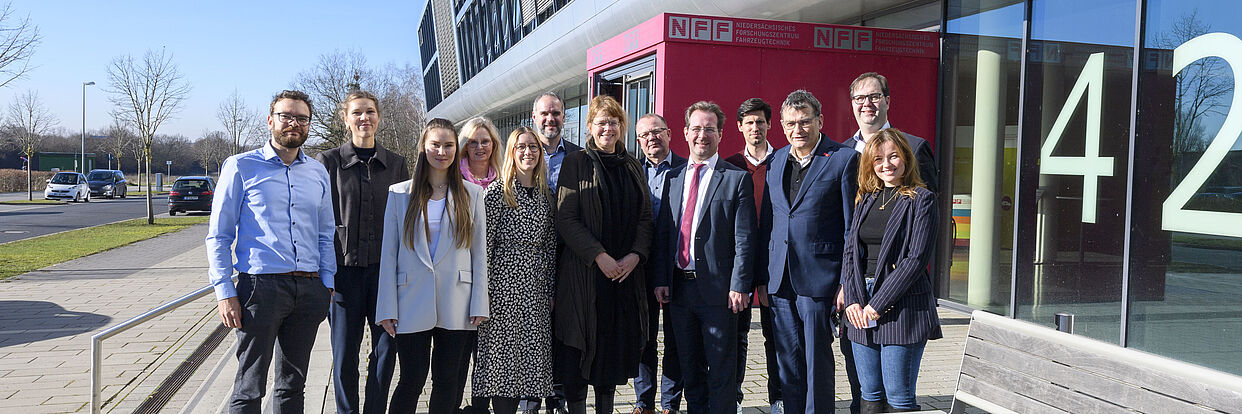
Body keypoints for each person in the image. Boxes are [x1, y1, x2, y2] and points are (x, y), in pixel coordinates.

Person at [207, 90, 336, 414]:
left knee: (293, 387)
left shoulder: (318, 172)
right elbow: (219, 236)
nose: (294, 123)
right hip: (259, 290)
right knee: (249, 388)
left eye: (302, 118)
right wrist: (224, 292)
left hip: (308, 290)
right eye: (286, 116)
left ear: (309, 125)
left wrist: (327, 283)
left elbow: (325, 233)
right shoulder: (240, 167)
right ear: (270, 121)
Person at [839, 72, 939, 414]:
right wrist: (853, 298)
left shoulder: (921, 196)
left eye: (893, 157)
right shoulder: (866, 197)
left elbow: (914, 258)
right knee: (869, 396)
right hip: (861, 302)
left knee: (898, 399)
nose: (886, 164)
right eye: (878, 159)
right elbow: (851, 250)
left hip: (900, 304)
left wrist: (875, 305)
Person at [376, 118, 488, 414]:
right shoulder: (399, 194)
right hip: (410, 300)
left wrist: (480, 302)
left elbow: (479, 254)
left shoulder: (473, 194)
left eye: (449, 145)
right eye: (435, 144)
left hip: (458, 301)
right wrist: (386, 307)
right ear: (423, 147)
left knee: (448, 382)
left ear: (456, 148)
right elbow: (389, 254)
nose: (442, 151)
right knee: (411, 380)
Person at [651, 101, 756, 414]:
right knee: (690, 367)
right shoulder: (672, 179)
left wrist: (740, 285)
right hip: (679, 291)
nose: (702, 135)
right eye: (696, 128)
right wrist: (660, 279)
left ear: (721, 134)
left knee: (722, 369)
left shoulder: (736, 179)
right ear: (684, 133)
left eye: (709, 129)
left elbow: (745, 238)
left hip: (719, 292)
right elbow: (665, 235)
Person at [554, 94, 652, 414]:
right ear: (590, 126)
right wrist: (599, 256)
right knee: (580, 354)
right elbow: (566, 218)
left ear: (622, 127)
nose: (608, 128)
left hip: (623, 278)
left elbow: (645, 218)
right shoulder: (576, 162)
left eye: (614, 122)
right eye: (601, 122)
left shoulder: (632, 166)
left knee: (610, 356)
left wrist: (636, 255)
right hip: (585, 278)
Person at [765, 89, 859, 414]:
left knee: (816, 359)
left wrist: (847, 282)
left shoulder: (843, 159)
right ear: (781, 125)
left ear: (820, 120)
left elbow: (851, 228)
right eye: (791, 123)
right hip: (780, 279)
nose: (798, 129)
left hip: (820, 280)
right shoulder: (776, 159)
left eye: (805, 121)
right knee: (788, 361)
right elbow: (773, 220)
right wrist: (763, 276)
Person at [317, 91, 409, 414]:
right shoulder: (329, 163)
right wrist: (324, 276)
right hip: (344, 275)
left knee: (386, 352)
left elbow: (406, 220)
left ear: (379, 117)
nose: (364, 118)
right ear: (346, 118)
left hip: (385, 275)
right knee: (344, 356)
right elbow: (321, 219)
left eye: (370, 111)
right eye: (357, 112)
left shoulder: (396, 164)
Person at [472, 126, 559, 414]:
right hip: (502, 288)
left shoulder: (548, 194)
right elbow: (483, 246)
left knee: (532, 364)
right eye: (521, 146)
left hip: (534, 288)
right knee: (503, 367)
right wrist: (481, 294)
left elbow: (550, 247)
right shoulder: (498, 192)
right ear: (511, 152)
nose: (528, 152)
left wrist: (549, 290)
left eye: (533, 146)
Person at [722, 97, 783, 414]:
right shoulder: (730, 165)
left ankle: (778, 399)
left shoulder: (784, 162)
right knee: (737, 337)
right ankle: (734, 399)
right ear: (739, 127)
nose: (755, 127)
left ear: (769, 124)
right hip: (740, 267)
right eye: (749, 122)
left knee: (777, 337)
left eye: (760, 121)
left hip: (775, 267)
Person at [633, 113, 686, 414]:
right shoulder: (633, 170)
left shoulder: (685, 169)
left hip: (676, 263)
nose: (652, 138)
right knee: (645, 338)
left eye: (657, 131)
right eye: (645, 135)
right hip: (640, 264)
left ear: (669, 134)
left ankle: (670, 404)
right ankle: (644, 403)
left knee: (676, 338)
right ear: (639, 141)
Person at [841, 72, 938, 194]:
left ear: (887, 102)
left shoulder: (914, 148)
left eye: (874, 97)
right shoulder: (842, 151)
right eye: (859, 98)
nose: (866, 103)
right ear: (852, 104)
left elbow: (929, 202)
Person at [534, 92, 584, 193]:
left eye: (556, 113)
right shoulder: (522, 157)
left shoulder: (580, 156)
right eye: (544, 113)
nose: (550, 119)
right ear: (534, 117)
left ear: (563, 117)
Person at [460, 117, 502, 188]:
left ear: (493, 144)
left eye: (485, 142)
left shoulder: (503, 178)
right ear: (465, 146)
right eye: (473, 142)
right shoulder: (455, 177)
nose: (479, 147)